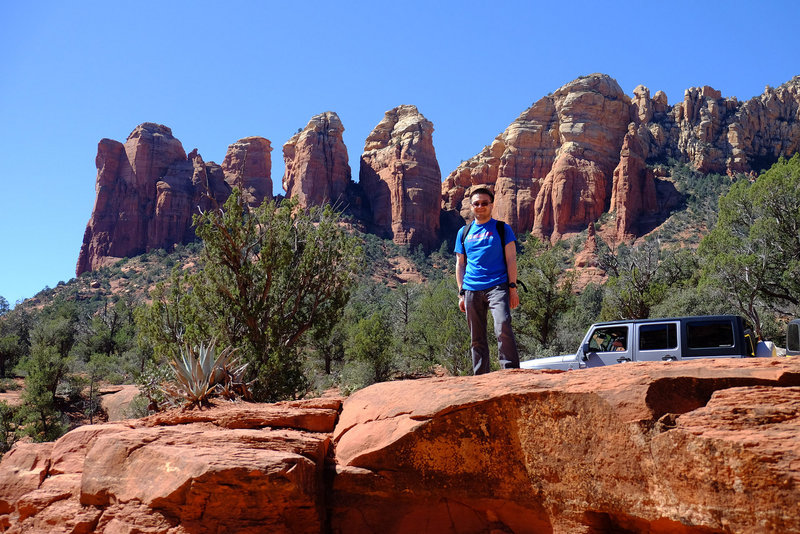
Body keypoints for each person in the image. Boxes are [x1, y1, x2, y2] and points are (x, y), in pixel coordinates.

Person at [455, 187, 520, 375]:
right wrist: (461, 293)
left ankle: (510, 373)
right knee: (476, 337)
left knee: (503, 326)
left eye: (485, 203)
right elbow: (460, 264)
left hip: (497, 287)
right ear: (471, 207)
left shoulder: (502, 228)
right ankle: (481, 378)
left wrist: (513, 288)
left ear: (491, 205)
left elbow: (511, 259)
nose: (480, 206)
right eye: (476, 203)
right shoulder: (464, 232)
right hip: (471, 289)